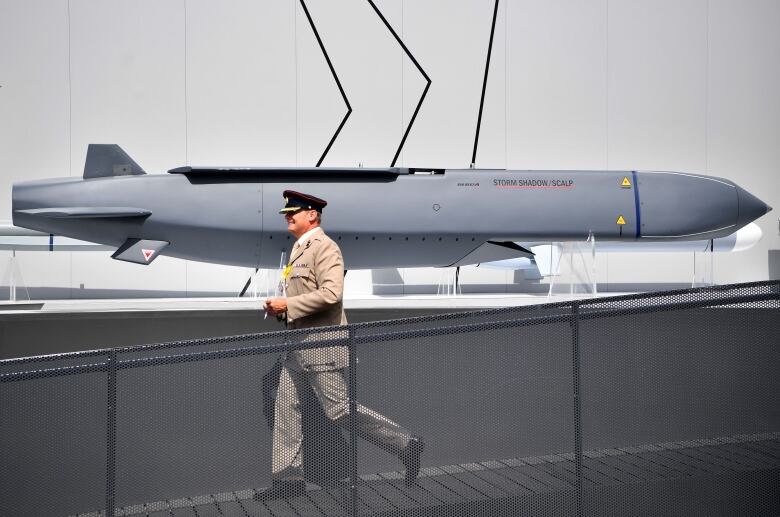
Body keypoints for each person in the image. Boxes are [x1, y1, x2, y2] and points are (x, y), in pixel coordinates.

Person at [256, 190, 424, 501]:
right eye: (286, 212)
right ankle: (289, 479)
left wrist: (288, 305)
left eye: (294, 211)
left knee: (338, 410)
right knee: (286, 411)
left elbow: (332, 295)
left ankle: (405, 443)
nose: (287, 216)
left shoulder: (325, 248)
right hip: (296, 345)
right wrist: (280, 310)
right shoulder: (299, 248)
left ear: (312, 215)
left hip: (321, 345)